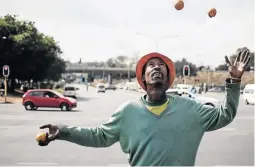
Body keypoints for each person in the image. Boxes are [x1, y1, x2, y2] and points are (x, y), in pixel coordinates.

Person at [38, 50, 251, 166]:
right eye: (151, 65)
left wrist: (233, 81)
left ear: (168, 79)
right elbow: (99, 136)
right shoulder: (127, 111)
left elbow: (226, 114)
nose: (156, 67)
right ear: (142, 78)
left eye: (161, 66)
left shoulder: (192, 109)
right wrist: (64, 131)